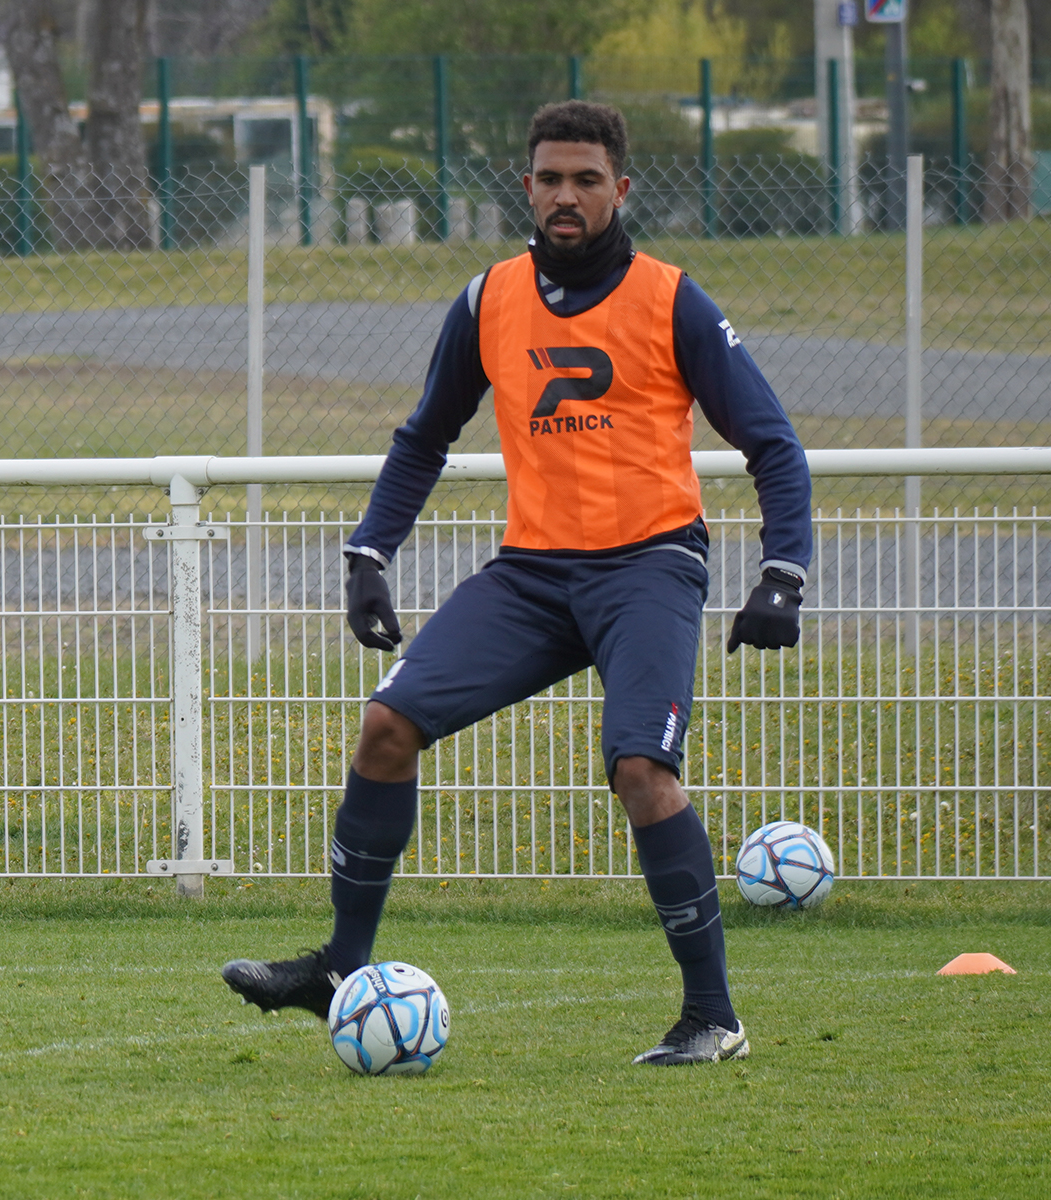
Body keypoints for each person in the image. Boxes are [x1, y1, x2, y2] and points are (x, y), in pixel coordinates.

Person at [221, 100, 812, 1066]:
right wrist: (370, 555)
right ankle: (340, 966)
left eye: (587, 179)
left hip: (649, 568)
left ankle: (713, 1015)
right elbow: (423, 439)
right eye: (550, 178)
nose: (566, 195)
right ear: (526, 186)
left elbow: (774, 446)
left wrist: (782, 574)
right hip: (533, 575)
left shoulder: (673, 300)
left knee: (641, 770)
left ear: (621, 190)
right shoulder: (488, 297)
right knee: (385, 728)